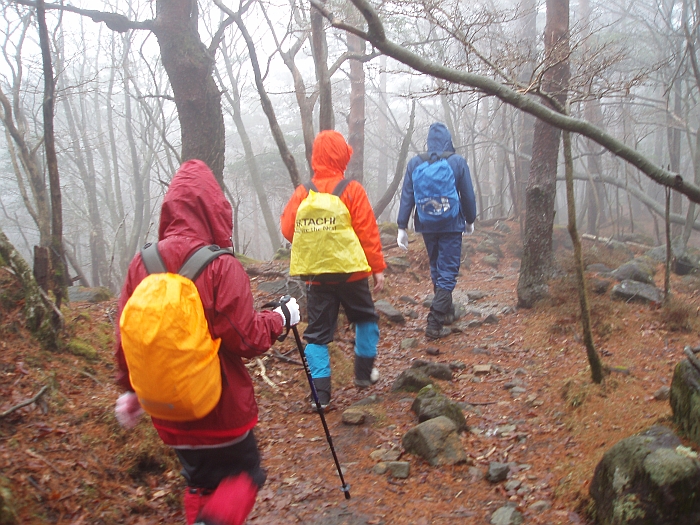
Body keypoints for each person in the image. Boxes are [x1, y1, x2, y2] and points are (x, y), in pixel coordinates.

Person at [113, 159, 300, 525]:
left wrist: (129, 390)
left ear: (170, 207)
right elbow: (246, 338)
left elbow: (126, 337)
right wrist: (281, 317)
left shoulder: (142, 263)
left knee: (199, 484)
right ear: (216, 208)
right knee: (247, 474)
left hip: (166, 411)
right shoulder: (219, 265)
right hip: (219, 407)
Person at [281, 130, 386, 410]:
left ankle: (321, 395)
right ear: (343, 156)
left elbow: (288, 229)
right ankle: (363, 374)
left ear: (315, 157)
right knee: (365, 319)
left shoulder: (304, 192)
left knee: (316, 334)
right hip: (352, 274)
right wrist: (377, 268)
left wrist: (315, 245)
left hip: (316, 277)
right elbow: (367, 232)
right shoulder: (351, 189)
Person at [396, 122, 477, 339]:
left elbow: (407, 195)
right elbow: (467, 194)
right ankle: (434, 323)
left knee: (436, 267)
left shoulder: (415, 163)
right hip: (451, 224)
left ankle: (446, 311)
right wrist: (470, 220)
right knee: (448, 271)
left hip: (426, 223)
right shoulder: (457, 162)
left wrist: (401, 226)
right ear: (448, 140)